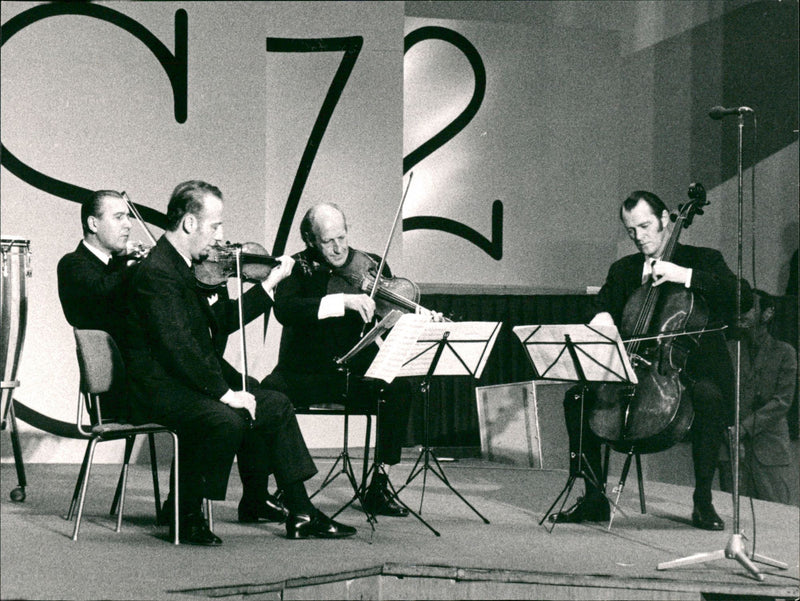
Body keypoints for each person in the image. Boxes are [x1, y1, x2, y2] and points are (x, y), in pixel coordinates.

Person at [120, 180, 356, 544]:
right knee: (226, 417)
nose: (221, 236)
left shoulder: (181, 266)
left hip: (182, 380)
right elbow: (179, 348)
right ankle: (185, 511)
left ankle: (301, 511)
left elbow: (218, 323)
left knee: (273, 403)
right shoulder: (158, 273)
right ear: (189, 224)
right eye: (215, 226)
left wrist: (266, 287)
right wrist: (226, 393)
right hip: (157, 388)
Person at [549, 190, 749, 530]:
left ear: (666, 221)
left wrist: (682, 275)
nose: (639, 237)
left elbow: (740, 296)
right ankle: (594, 497)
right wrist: (601, 317)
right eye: (631, 231)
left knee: (709, 396)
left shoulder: (703, 259)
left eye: (645, 226)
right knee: (577, 398)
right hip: (636, 368)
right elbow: (600, 305)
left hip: (692, 373)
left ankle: (703, 501)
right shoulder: (625, 269)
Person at [264, 202, 418, 517]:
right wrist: (342, 301)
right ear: (310, 240)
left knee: (401, 389)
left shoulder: (372, 265)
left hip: (354, 372)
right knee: (266, 394)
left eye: (342, 237)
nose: (338, 248)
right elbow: (286, 311)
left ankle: (379, 484)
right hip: (306, 373)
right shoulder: (296, 267)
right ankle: (278, 490)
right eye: (327, 241)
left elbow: (388, 318)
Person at [57, 190, 144, 420]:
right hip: (119, 394)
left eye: (128, 217)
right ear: (93, 224)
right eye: (118, 217)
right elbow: (101, 291)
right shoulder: (73, 264)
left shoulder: (119, 267)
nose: (128, 225)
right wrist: (140, 265)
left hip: (144, 382)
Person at [720, 289, 796, 504]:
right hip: (731, 448)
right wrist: (730, 430)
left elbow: (782, 401)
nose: (740, 314)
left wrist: (743, 428)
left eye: (749, 307)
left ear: (768, 313)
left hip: (770, 449)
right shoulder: (728, 349)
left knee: (776, 516)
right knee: (732, 513)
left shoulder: (785, 352)